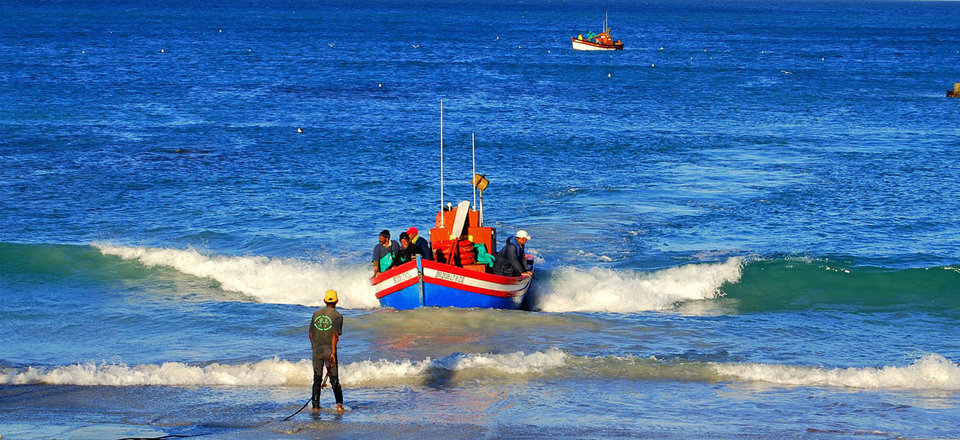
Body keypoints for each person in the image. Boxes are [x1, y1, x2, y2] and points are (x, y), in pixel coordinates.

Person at [309, 289, 344, 414]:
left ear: (324, 300)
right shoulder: (338, 316)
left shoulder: (316, 314)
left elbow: (311, 334)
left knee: (317, 379)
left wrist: (315, 347)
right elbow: (335, 335)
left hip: (316, 350)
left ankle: (316, 407)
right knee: (334, 380)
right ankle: (339, 406)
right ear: (336, 301)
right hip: (330, 351)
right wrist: (333, 352)